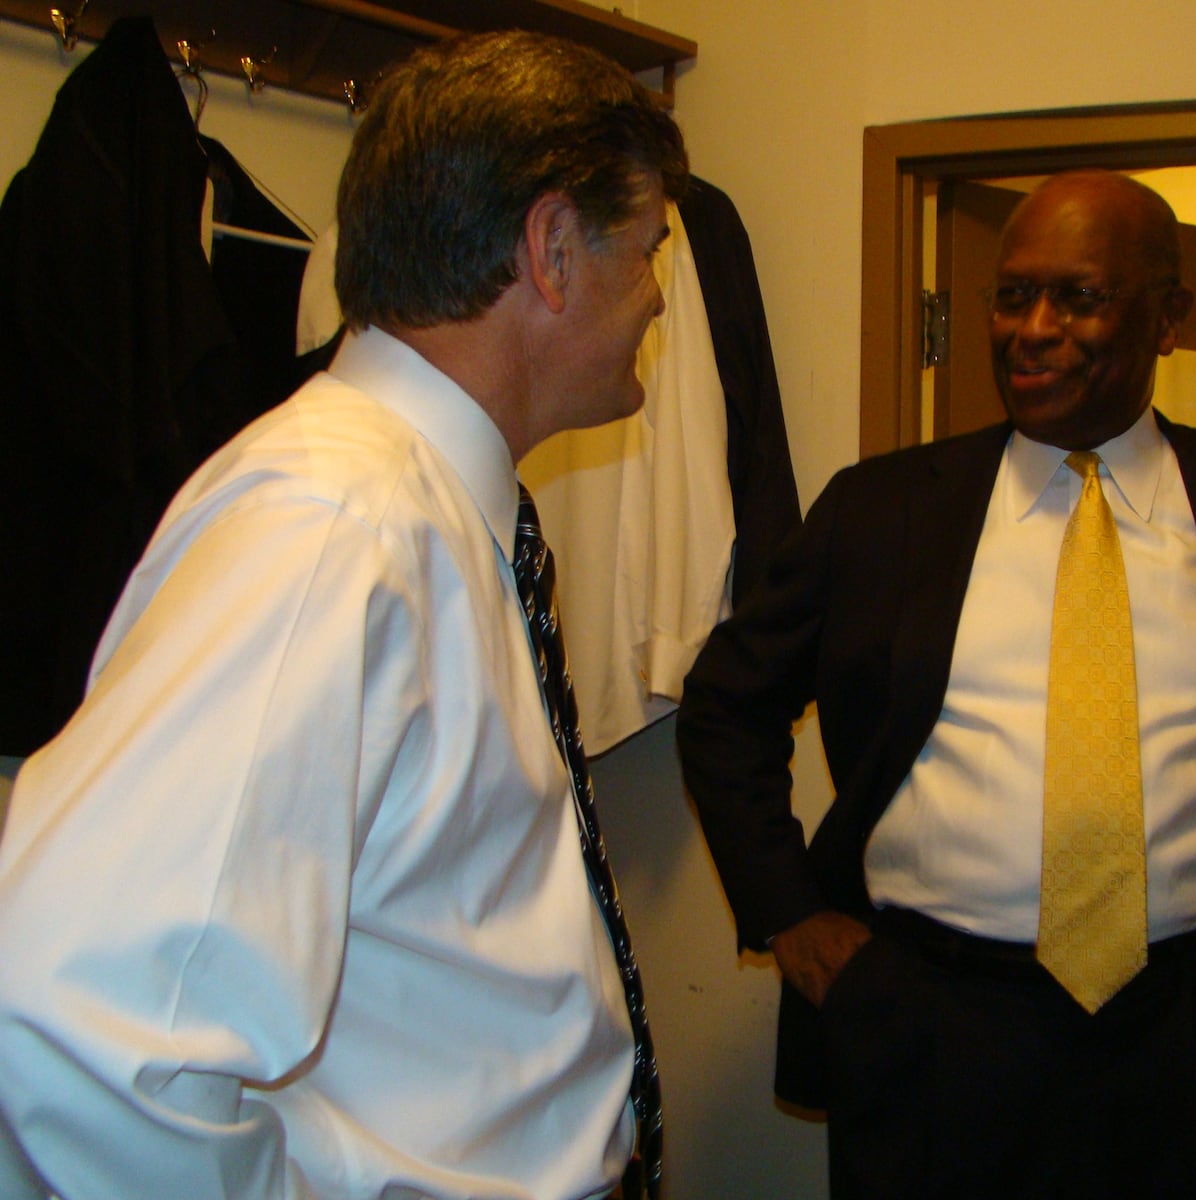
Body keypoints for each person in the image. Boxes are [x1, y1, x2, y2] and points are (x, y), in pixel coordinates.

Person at [0, 30, 687, 1200]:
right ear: (554, 249)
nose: (659, 295)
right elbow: (76, 1035)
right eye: (648, 249)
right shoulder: (336, 528)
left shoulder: (417, 516)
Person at [675, 169, 1196, 1199]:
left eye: (1078, 298)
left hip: (1185, 1029)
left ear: (1169, 318)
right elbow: (729, 703)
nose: (1031, 329)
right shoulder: (881, 512)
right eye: (1011, 294)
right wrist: (791, 914)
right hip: (929, 1025)